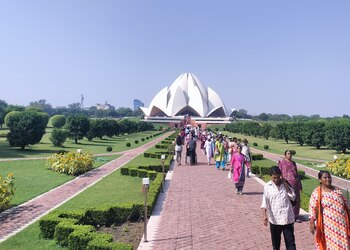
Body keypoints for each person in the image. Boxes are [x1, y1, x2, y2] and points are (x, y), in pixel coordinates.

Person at [309, 170, 350, 249]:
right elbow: (312, 208)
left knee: (343, 245)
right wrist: (312, 222)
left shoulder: (337, 190)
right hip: (328, 226)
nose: (328, 179)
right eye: (325, 177)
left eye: (329, 177)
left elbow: (347, 204)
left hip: (342, 225)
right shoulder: (317, 193)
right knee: (331, 245)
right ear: (320, 180)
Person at [261, 166, 297, 250]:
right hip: (275, 220)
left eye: (278, 177)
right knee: (276, 245)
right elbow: (264, 202)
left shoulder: (285, 184)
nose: (276, 180)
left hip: (287, 219)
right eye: (274, 178)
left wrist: (285, 185)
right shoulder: (267, 186)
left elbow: (293, 197)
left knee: (291, 244)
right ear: (271, 176)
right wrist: (264, 216)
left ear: (281, 175)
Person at [278, 150, 302, 222]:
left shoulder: (293, 163)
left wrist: (300, 183)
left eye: (291, 154)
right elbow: (279, 173)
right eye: (288, 153)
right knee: (288, 199)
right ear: (285, 155)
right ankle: (287, 215)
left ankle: (295, 216)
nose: (290, 155)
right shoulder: (282, 163)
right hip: (287, 183)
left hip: (295, 183)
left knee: (296, 199)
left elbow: (296, 173)